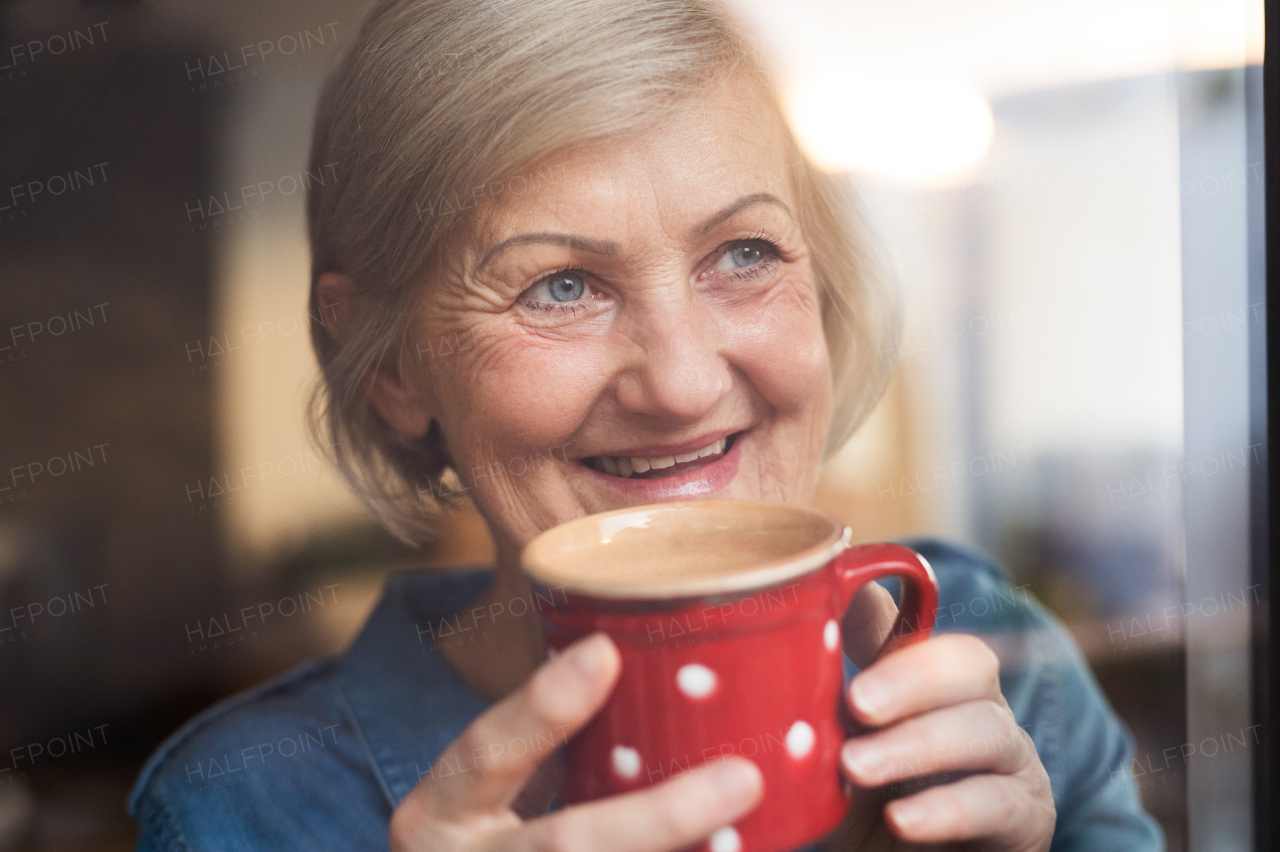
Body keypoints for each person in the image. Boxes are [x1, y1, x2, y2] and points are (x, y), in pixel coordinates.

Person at [128, 0, 1165, 849]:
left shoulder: (986, 652)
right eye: (560, 285)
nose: (677, 383)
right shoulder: (244, 810)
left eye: (744, 254)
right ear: (395, 367)